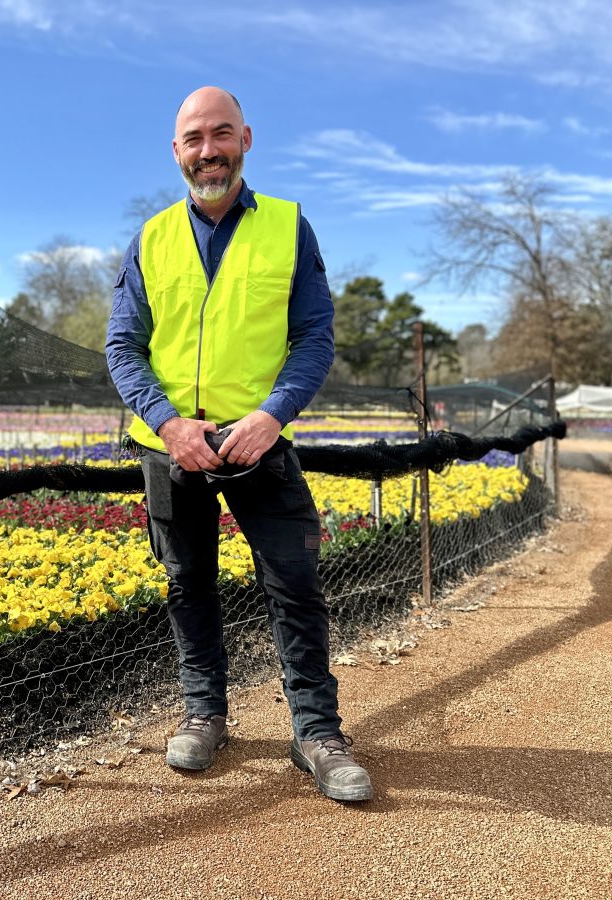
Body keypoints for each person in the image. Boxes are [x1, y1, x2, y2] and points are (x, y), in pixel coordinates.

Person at [105, 86, 371, 802]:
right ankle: (205, 714)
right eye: (194, 138)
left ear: (246, 139)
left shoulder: (288, 227)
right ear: (176, 151)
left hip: (260, 442)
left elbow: (314, 337)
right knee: (188, 586)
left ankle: (316, 733)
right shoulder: (150, 238)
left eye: (221, 134)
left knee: (295, 586)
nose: (208, 151)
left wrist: (272, 415)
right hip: (173, 448)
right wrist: (168, 424)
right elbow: (122, 346)